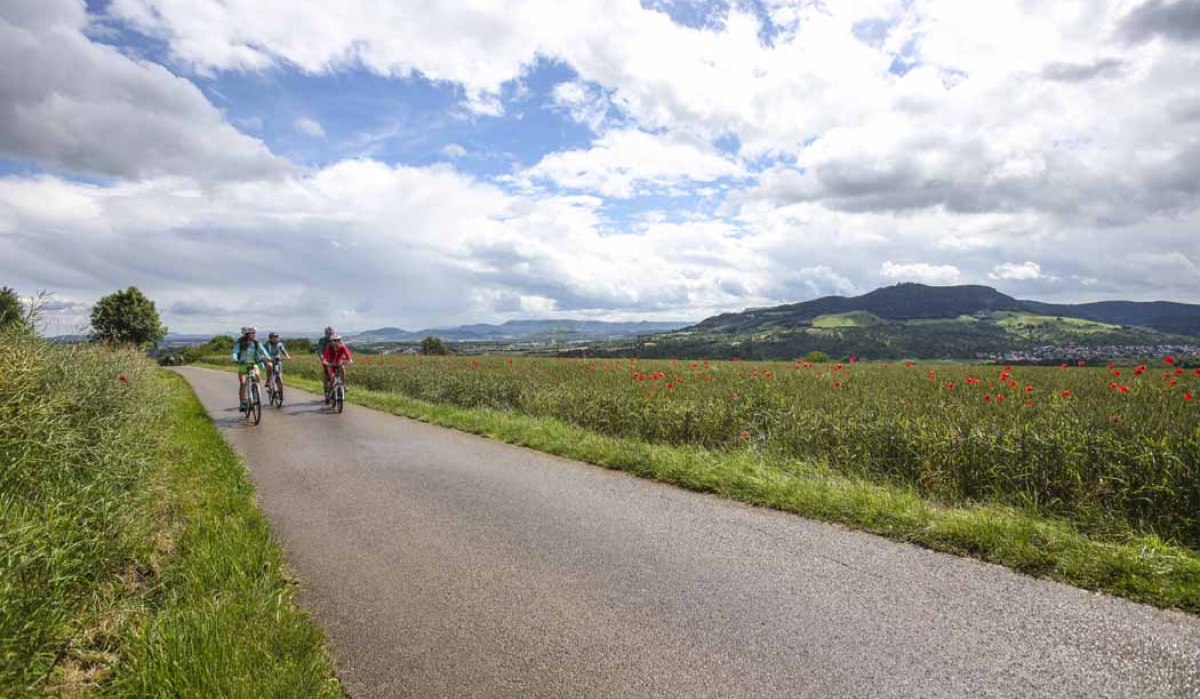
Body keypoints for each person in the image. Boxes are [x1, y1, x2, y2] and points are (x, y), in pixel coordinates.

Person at [231, 326, 272, 411]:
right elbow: (235, 352)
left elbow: (263, 351)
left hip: (253, 363)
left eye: (254, 333)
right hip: (243, 364)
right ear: (247, 334)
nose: (254, 334)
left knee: (257, 375)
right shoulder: (240, 343)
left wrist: (268, 358)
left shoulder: (256, 343)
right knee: (243, 383)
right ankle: (243, 402)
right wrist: (235, 359)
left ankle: (255, 390)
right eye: (252, 333)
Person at [320, 333, 353, 403]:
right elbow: (325, 357)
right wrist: (325, 362)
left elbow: (347, 353)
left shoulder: (342, 347)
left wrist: (350, 360)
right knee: (332, 377)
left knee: (343, 369)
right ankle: (328, 394)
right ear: (331, 341)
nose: (336, 342)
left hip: (338, 364)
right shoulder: (329, 348)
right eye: (334, 340)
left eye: (338, 340)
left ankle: (343, 385)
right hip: (330, 365)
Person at [316, 326, 335, 397]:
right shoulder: (322, 340)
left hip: (335, 359)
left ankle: (341, 386)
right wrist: (322, 357)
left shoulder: (335, 339)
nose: (331, 335)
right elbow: (320, 350)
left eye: (332, 334)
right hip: (326, 360)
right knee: (327, 376)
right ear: (326, 334)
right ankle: (326, 392)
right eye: (329, 334)